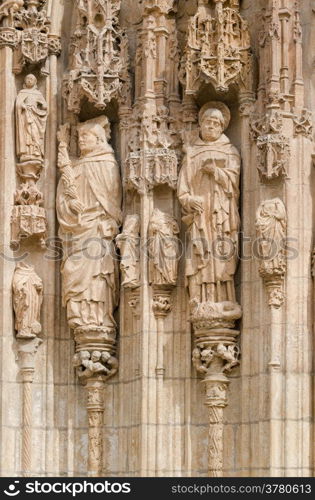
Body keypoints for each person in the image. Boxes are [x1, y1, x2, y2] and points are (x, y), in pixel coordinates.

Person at [57, 116, 122, 331]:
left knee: (98, 273)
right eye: (79, 136)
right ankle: (79, 314)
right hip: (77, 228)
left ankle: (98, 316)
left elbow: (112, 201)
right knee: (72, 268)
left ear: (99, 139)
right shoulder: (73, 166)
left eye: (86, 136)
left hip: (97, 228)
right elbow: (63, 195)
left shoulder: (107, 164)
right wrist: (69, 205)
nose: (82, 140)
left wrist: (106, 220)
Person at [178, 101, 240, 304]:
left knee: (221, 253)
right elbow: (183, 189)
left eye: (216, 123)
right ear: (200, 125)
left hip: (222, 213)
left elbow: (234, 180)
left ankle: (223, 298)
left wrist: (217, 172)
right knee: (200, 253)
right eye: (207, 122)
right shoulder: (192, 154)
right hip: (199, 214)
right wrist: (189, 200)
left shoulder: (230, 151)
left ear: (222, 127)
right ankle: (200, 299)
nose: (211, 126)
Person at [15, 74, 47, 163]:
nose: (29, 80)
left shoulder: (38, 93)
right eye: (27, 78)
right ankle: (26, 152)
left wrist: (43, 106)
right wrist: (23, 105)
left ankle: (36, 151)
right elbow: (18, 104)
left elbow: (45, 105)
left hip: (34, 115)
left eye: (31, 79)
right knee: (27, 133)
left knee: (35, 133)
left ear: (35, 82)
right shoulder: (22, 92)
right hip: (25, 116)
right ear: (25, 81)